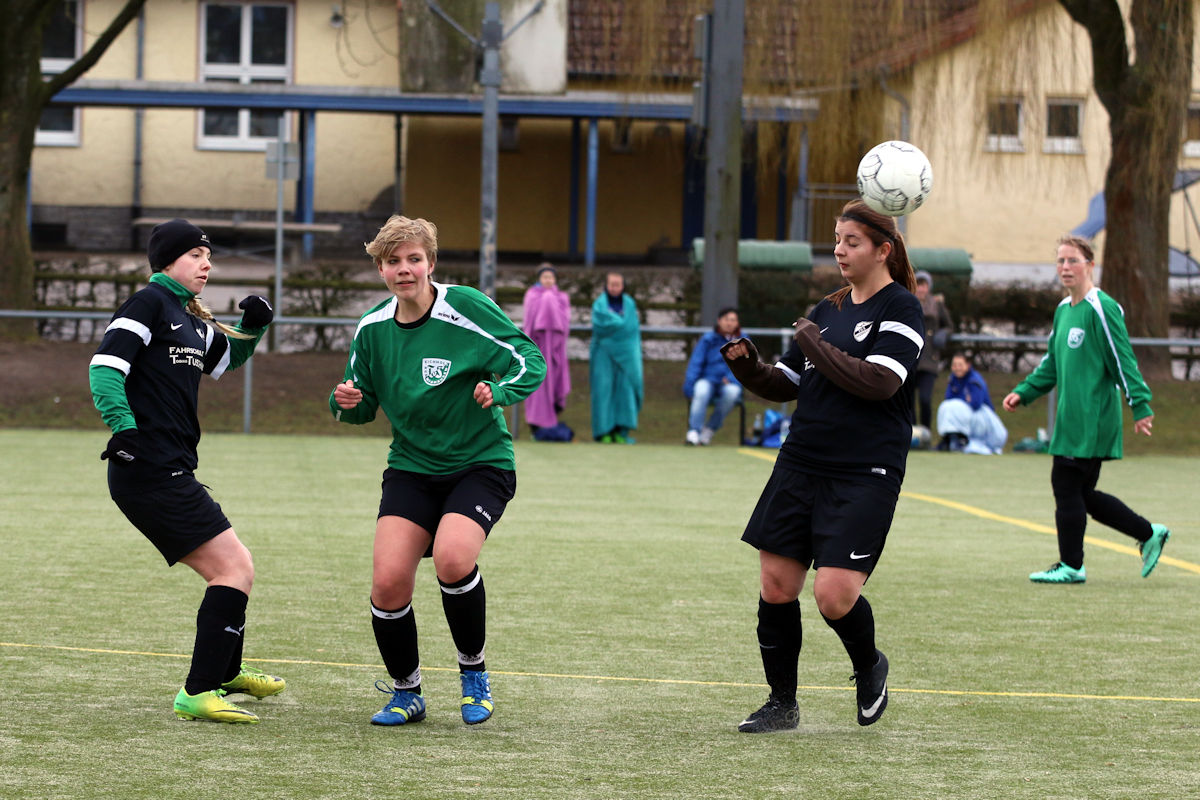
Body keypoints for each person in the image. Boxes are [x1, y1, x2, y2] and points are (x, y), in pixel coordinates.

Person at [328, 215, 546, 727]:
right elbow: (358, 405)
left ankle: (474, 676)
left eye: (413, 259)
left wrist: (503, 390)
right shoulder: (372, 328)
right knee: (387, 584)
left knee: (452, 559)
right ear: (381, 269)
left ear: (430, 263)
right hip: (411, 467)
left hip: (481, 463)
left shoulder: (465, 307)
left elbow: (526, 356)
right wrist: (344, 403)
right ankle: (407, 693)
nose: (404, 269)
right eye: (392, 261)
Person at [721, 200, 924, 732]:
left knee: (834, 594)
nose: (839, 249)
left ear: (883, 250)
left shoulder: (901, 307)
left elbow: (880, 382)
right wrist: (749, 368)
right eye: (837, 239)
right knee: (776, 583)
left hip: (865, 470)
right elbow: (789, 382)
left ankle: (869, 664)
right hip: (802, 461)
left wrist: (812, 341)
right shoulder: (826, 309)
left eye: (852, 241)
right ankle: (781, 703)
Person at [88, 218, 284, 724]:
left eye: (208, 255)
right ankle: (198, 691)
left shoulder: (191, 317)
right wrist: (124, 430)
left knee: (236, 567)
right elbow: (105, 367)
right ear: (169, 260)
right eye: (196, 254)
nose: (207, 263)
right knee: (234, 569)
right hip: (146, 468)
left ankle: (223, 671)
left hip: (171, 467)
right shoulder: (148, 303)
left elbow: (225, 360)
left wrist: (256, 325)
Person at [1002, 235, 1171, 584]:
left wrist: (1140, 404)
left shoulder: (1102, 307)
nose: (1065, 267)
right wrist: (1024, 392)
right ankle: (1149, 532)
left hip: (1092, 417)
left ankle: (1072, 565)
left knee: (1065, 485)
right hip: (1071, 418)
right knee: (1083, 495)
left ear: (1090, 265)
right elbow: (1052, 363)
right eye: (1060, 261)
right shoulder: (1064, 310)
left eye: (1073, 261)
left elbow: (1122, 358)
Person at [589, 271, 643, 443]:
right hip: (603, 354)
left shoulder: (629, 304)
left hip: (627, 355)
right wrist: (617, 325)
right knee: (603, 390)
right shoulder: (599, 305)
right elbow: (599, 327)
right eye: (611, 284)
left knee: (625, 391)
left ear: (623, 285)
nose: (614, 288)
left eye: (617, 284)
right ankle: (604, 431)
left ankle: (621, 432)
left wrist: (617, 327)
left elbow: (631, 329)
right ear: (606, 285)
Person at [522, 263, 572, 436]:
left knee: (554, 384)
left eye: (551, 277)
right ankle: (537, 426)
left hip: (556, 351)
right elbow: (530, 321)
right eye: (545, 277)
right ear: (539, 278)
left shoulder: (561, 297)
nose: (548, 280)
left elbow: (565, 322)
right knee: (538, 386)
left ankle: (552, 424)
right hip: (539, 349)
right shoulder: (532, 296)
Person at [683, 307, 745, 445]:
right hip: (708, 380)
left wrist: (731, 378)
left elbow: (746, 366)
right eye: (726, 319)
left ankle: (709, 430)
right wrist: (689, 385)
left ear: (737, 323)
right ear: (719, 321)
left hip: (730, 383)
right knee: (700, 390)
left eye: (733, 320)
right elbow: (696, 362)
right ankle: (694, 431)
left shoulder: (743, 341)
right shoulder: (708, 339)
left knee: (733, 392)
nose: (729, 323)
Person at [936, 352, 1007, 454]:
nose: (957, 368)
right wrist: (965, 398)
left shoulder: (975, 379)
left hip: (984, 418)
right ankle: (950, 439)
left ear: (968, 365)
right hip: (966, 415)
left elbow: (975, 403)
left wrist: (961, 399)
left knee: (955, 407)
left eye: (960, 365)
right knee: (946, 407)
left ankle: (959, 440)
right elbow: (948, 398)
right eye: (954, 365)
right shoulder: (953, 379)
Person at [911, 270, 953, 431]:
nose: (921, 289)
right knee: (908, 401)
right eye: (918, 285)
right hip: (910, 357)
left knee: (925, 399)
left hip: (929, 358)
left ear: (928, 287)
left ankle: (926, 432)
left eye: (924, 285)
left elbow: (949, 325)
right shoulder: (907, 302)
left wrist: (942, 334)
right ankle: (912, 434)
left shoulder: (936, 305)